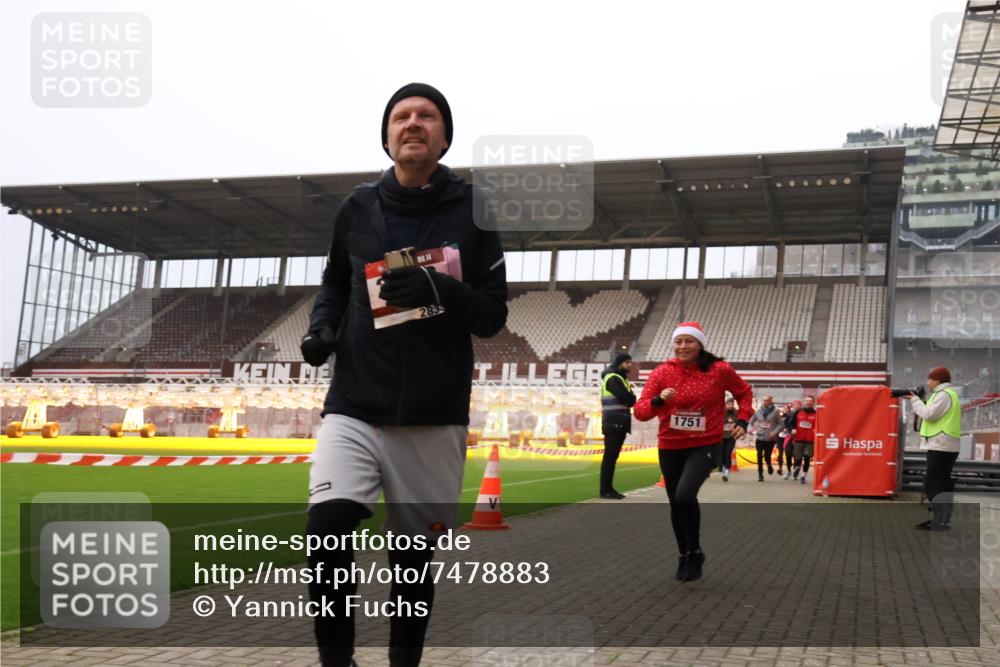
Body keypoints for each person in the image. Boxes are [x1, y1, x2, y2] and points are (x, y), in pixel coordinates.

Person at [300, 83, 508, 667]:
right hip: (354, 405)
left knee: (412, 567)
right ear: (386, 134)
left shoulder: (474, 210)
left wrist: (441, 289)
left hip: (433, 414)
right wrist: (322, 328)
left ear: (444, 135)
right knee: (327, 534)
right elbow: (335, 283)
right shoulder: (357, 207)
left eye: (426, 116)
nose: (412, 123)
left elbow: (493, 314)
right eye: (401, 116)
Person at [634, 321, 752, 582]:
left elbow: (744, 392)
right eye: (679, 341)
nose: (683, 346)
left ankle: (695, 549)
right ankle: (685, 554)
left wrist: (742, 420)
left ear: (700, 344)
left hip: (705, 443)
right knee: (676, 502)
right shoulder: (662, 372)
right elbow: (641, 412)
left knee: (685, 493)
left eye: (689, 341)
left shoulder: (719, 370)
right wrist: (658, 400)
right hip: (670, 445)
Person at [908, 366, 961, 531]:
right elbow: (930, 412)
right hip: (944, 445)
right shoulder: (945, 395)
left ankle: (939, 521)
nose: (928, 382)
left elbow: (928, 414)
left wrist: (915, 401)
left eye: (930, 379)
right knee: (942, 484)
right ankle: (942, 520)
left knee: (933, 485)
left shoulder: (943, 395)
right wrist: (920, 400)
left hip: (941, 445)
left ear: (938, 380)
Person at [599, 353, 637, 499]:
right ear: (619, 363)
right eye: (627, 362)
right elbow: (628, 398)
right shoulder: (613, 378)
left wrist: (631, 398)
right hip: (614, 422)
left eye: (630, 362)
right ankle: (606, 490)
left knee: (611, 457)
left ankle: (607, 489)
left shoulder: (619, 378)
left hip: (616, 422)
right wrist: (631, 398)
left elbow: (630, 398)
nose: (629, 365)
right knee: (610, 457)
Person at [748, 395, 782, 481]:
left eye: (766, 400)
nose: (765, 402)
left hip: (770, 439)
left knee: (767, 456)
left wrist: (774, 432)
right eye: (763, 400)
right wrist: (750, 429)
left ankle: (769, 465)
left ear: (771, 401)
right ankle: (760, 474)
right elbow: (750, 422)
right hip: (759, 438)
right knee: (759, 455)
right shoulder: (758, 411)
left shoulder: (776, 411)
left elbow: (781, 424)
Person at [789, 395, 817, 485]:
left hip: (810, 440)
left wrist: (816, 430)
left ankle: (803, 476)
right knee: (798, 458)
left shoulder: (816, 414)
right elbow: (791, 424)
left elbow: (819, 425)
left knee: (807, 458)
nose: (808, 402)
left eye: (810, 401)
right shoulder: (797, 412)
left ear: (813, 403)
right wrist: (792, 429)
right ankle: (797, 467)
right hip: (798, 439)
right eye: (807, 401)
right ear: (804, 402)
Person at [719, 396, 738, 481]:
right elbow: (717, 421)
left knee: (728, 453)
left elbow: (740, 422)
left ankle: (726, 472)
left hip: (731, 436)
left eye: (731, 404)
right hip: (722, 436)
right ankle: (723, 470)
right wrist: (726, 421)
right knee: (722, 454)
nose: (730, 405)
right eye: (728, 404)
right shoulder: (721, 412)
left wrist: (735, 425)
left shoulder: (736, 413)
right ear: (725, 404)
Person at [780, 400, 800, 480]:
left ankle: (795, 471)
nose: (796, 405)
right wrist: (786, 429)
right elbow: (785, 424)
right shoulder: (789, 415)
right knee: (788, 454)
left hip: (799, 438)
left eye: (798, 404)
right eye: (795, 404)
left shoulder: (802, 414)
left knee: (796, 456)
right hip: (789, 437)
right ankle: (788, 471)